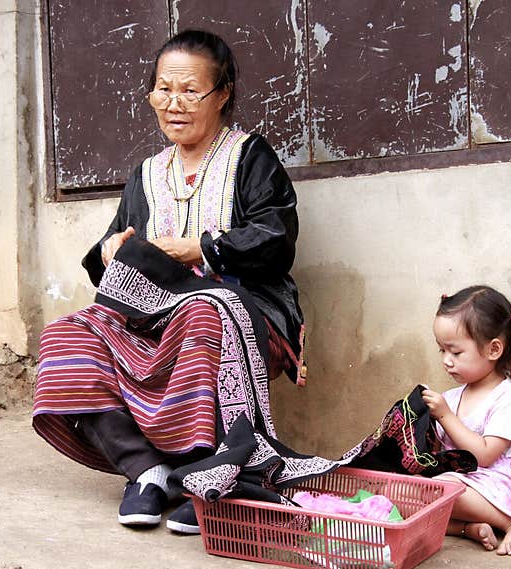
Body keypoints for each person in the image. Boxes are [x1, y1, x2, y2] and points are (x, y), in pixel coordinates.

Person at [32, 29, 338, 535]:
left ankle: (207, 476)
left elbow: (277, 237)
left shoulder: (250, 157)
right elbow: (116, 243)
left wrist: (203, 248)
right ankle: (146, 471)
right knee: (69, 333)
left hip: (247, 308)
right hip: (157, 309)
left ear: (223, 95)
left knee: (203, 313)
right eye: (163, 89)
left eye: (190, 91)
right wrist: (108, 252)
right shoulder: (146, 174)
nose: (173, 103)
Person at [421, 285, 511, 555]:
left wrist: (445, 416)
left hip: (502, 486)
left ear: (493, 350)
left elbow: (485, 456)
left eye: (455, 352)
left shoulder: (508, 399)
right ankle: (470, 528)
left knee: (443, 489)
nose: (446, 361)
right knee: (410, 492)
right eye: (441, 350)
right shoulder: (454, 397)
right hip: (463, 484)